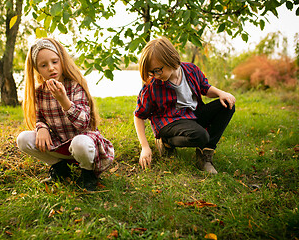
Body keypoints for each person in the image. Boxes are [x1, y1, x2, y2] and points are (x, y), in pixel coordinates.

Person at [17, 38, 114, 191]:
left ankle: (88, 172)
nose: (51, 68)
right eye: (44, 65)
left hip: (82, 145)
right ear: (37, 69)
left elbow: (84, 123)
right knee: (23, 139)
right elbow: (40, 117)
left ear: (62, 60)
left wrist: (64, 100)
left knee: (80, 143)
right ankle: (60, 168)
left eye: (54, 62)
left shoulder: (75, 86)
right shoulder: (39, 93)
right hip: (60, 144)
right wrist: (41, 128)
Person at [134, 37, 235, 174]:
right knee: (200, 135)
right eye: (151, 72)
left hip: (192, 115)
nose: (155, 76)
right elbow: (139, 116)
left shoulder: (191, 70)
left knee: (227, 105)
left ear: (169, 59)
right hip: (169, 121)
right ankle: (166, 142)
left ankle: (205, 154)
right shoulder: (152, 86)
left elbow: (205, 88)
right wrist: (145, 147)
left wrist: (221, 93)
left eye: (157, 70)